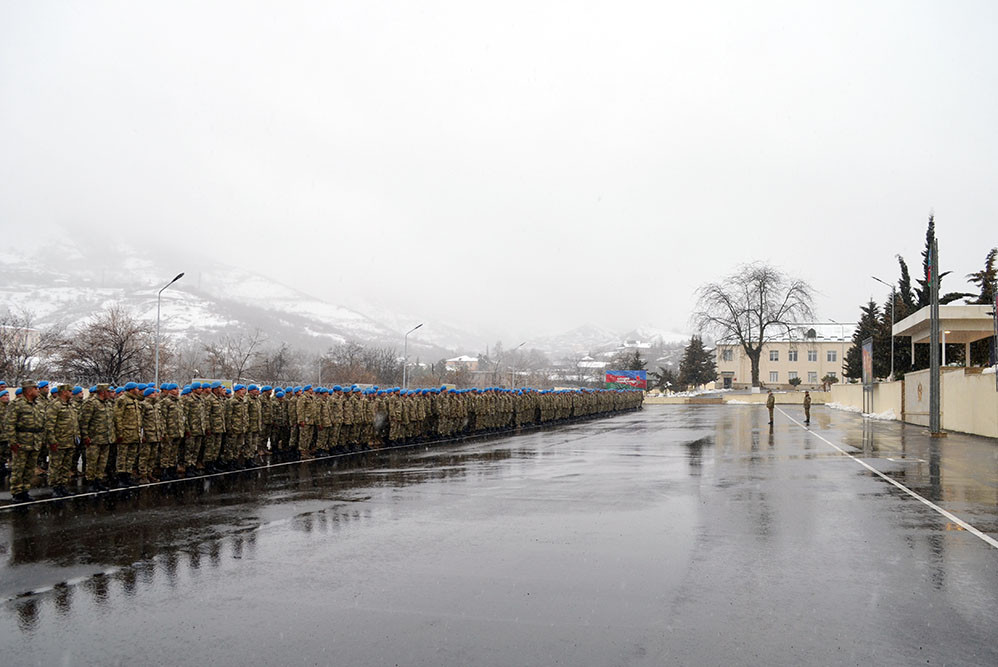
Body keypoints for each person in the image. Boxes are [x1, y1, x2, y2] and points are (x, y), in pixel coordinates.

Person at [5, 380, 46, 502]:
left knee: (29, 469)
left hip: (35, 441)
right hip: (21, 442)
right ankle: (17, 493)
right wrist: (12, 442)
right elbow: (9, 424)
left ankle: (25, 491)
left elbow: (42, 424)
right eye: (35, 388)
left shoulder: (38, 404)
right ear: (28, 390)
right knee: (19, 469)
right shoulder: (16, 404)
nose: (37, 390)